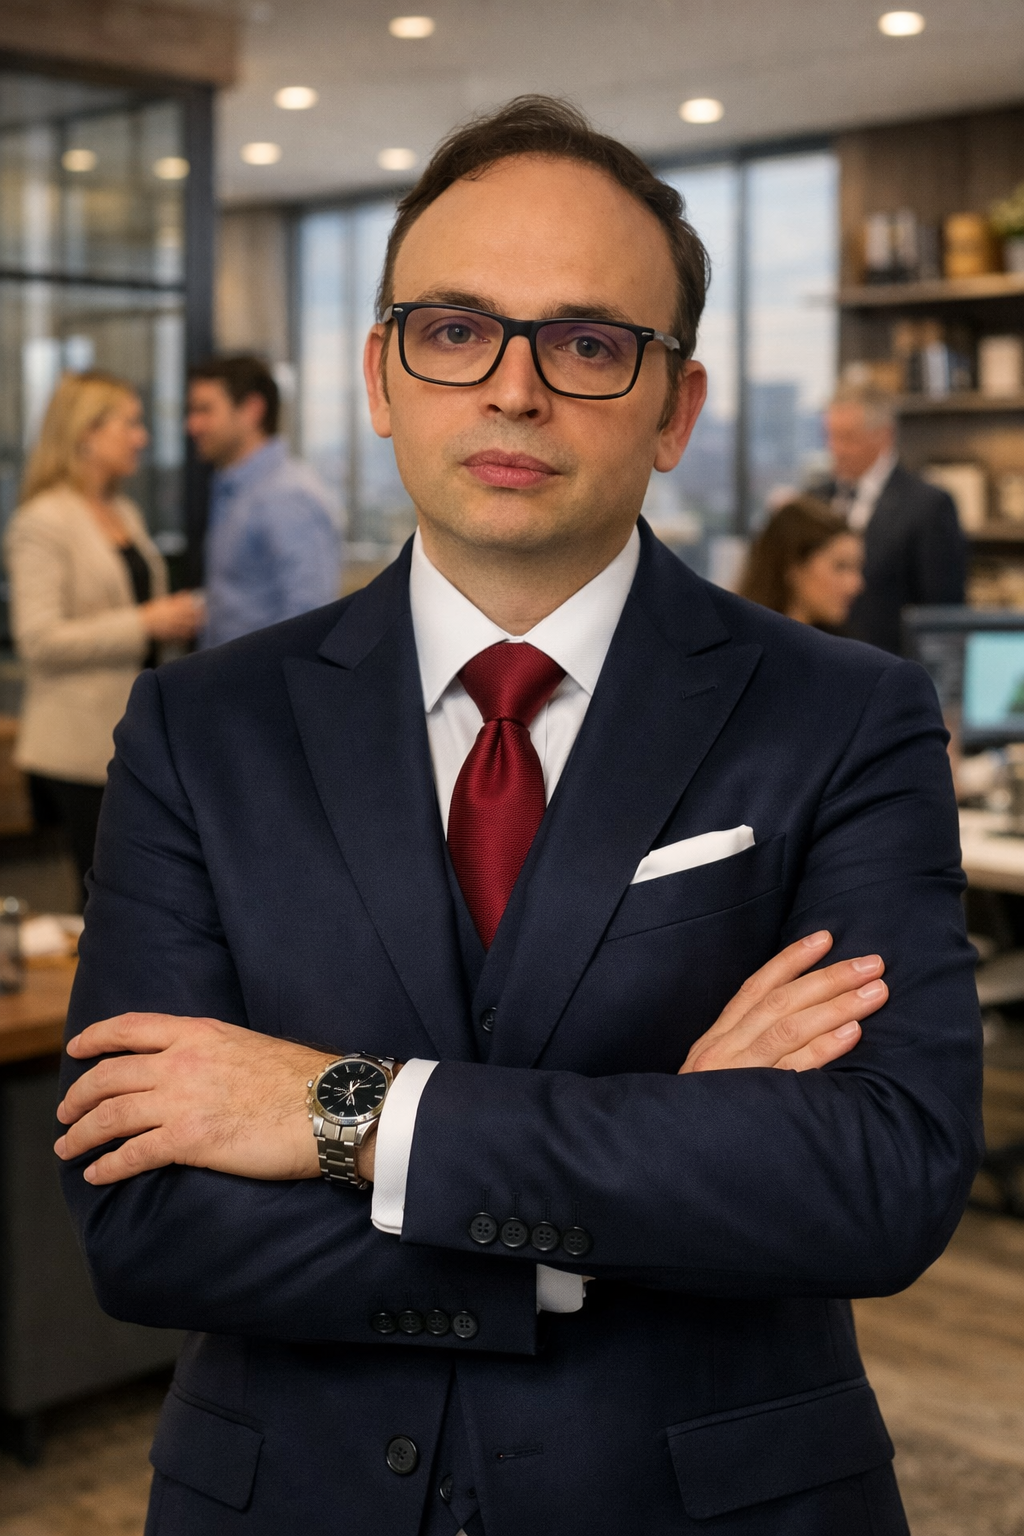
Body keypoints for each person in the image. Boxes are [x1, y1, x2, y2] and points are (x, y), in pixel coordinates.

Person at [55, 98, 981, 1536]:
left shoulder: (844, 714)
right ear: (381, 373)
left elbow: (875, 1180)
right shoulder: (199, 728)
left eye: (590, 343)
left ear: (678, 407)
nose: (512, 390)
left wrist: (333, 1111)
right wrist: (664, 1150)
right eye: (453, 329)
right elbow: (145, 1224)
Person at [3, 371, 200, 898]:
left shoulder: (124, 511)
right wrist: (146, 622)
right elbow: (38, 640)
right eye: (130, 424)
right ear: (86, 433)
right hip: (75, 746)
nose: (142, 437)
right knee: (105, 901)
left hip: (128, 737)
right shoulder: (42, 521)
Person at [186, 355, 343, 647]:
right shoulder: (234, 488)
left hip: (261, 689)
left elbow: (309, 623)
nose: (192, 425)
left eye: (205, 410)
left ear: (252, 410)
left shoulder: (286, 496)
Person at [824, 384, 967, 654]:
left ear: (884, 436)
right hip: (822, 666)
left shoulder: (928, 505)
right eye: (830, 436)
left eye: (847, 437)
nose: (836, 449)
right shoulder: (815, 498)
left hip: (891, 672)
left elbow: (942, 616)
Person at [739, 495, 864, 630]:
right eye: (840, 567)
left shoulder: (846, 647)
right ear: (792, 566)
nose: (856, 585)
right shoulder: (738, 642)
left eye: (857, 568)